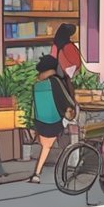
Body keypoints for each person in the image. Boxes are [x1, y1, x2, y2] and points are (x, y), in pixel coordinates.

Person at [29, 55, 77, 184]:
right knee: (52, 146)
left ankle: (37, 173)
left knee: (46, 147)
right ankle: (39, 173)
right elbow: (65, 99)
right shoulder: (55, 81)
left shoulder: (37, 85)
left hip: (40, 123)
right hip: (55, 122)